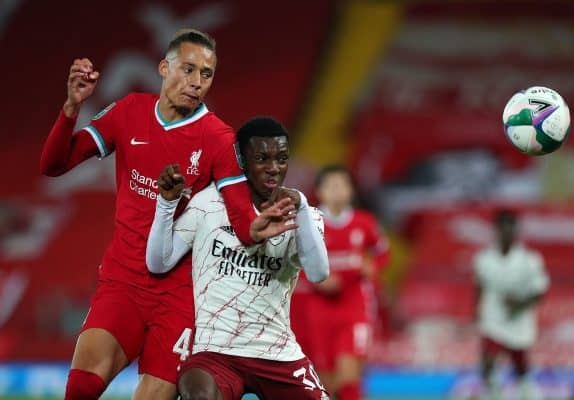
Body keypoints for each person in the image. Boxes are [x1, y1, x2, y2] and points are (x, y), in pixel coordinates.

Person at [39, 29, 275, 400]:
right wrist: (71, 108)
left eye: (207, 74)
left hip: (181, 297)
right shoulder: (129, 111)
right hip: (123, 283)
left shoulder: (218, 138)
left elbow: (242, 219)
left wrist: (260, 227)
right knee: (81, 387)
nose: (197, 83)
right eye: (189, 69)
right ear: (164, 68)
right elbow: (54, 165)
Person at [146, 116, 330, 400]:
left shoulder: (303, 215)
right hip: (216, 353)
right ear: (242, 161)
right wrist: (166, 203)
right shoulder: (209, 205)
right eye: (262, 158)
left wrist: (303, 207)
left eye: (282, 159)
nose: (273, 169)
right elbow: (159, 262)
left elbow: (318, 274)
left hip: (277, 353)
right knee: (197, 392)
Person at [291, 165, 390, 400]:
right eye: (331, 185)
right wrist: (317, 281)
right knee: (326, 381)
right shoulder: (309, 224)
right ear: (320, 191)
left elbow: (382, 252)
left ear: (351, 190)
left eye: (342, 185)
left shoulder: (364, 223)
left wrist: (372, 266)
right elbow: (295, 262)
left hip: (354, 306)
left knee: (349, 377)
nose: (337, 190)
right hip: (318, 310)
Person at [474, 209, 549, 398]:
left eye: (510, 227)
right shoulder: (484, 259)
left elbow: (540, 291)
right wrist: (475, 312)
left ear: (516, 230)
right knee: (487, 363)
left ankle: (527, 392)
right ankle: (493, 394)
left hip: (519, 320)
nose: (506, 231)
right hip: (493, 318)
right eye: (502, 227)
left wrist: (520, 304)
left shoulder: (529, 260)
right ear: (496, 229)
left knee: (520, 366)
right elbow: (479, 287)